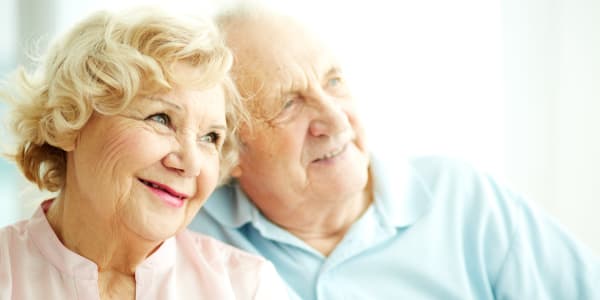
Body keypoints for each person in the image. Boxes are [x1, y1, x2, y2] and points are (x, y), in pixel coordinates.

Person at [189, 3, 600, 299]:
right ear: (228, 146)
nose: (335, 119)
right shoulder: (189, 236)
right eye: (288, 104)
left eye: (333, 82)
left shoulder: (463, 199)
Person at [0, 8, 289, 299]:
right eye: (161, 119)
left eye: (210, 137)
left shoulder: (248, 286)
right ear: (71, 120)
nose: (191, 164)